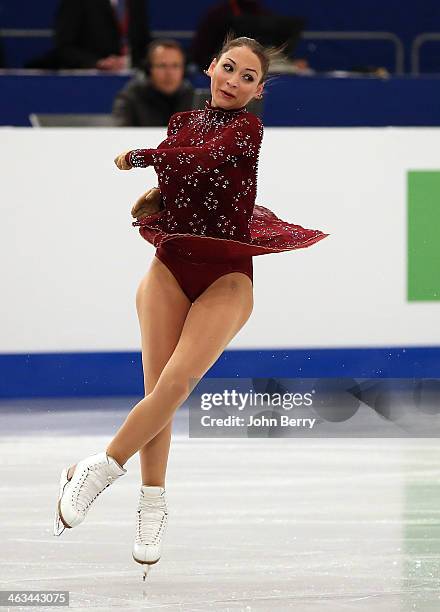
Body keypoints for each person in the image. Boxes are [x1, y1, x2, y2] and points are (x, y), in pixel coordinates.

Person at [53, 33, 330, 580]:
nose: (233, 81)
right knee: (157, 391)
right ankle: (151, 505)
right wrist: (156, 192)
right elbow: (187, 171)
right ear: (210, 67)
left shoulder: (248, 129)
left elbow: (208, 158)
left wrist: (140, 158)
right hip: (170, 266)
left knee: (176, 385)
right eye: (228, 68)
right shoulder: (181, 122)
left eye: (247, 77)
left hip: (225, 276)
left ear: (257, 90)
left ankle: (101, 467)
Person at [26, 0, 150, 70]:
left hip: (132, 77)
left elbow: (143, 42)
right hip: (89, 78)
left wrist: (132, 61)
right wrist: (97, 63)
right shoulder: (77, 2)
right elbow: (64, 46)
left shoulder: (136, 3)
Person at [111, 39, 195, 127]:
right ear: (148, 69)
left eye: (175, 66)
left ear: (184, 70)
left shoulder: (191, 96)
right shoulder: (131, 97)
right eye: (162, 66)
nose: (169, 73)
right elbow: (120, 134)